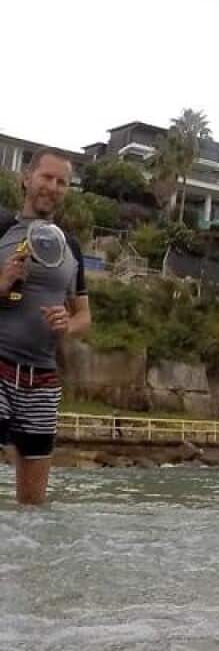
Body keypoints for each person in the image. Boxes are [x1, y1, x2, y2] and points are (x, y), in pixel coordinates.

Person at [0, 149, 92, 505]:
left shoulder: (71, 247)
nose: (52, 187)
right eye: (46, 177)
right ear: (27, 179)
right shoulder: (2, 228)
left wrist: (68, 324)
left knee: (33, 508)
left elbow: (84, 316)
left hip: (43, 383)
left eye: (62, 182)